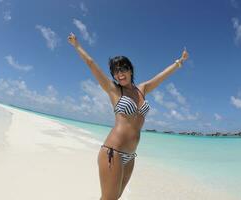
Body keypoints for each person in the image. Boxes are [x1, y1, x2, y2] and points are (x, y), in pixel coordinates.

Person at [68, 32, 188, 200]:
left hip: (130, 157)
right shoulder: (114, 90)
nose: (119, 74)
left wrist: (179, 62)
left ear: (130, 70)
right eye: (115, 72)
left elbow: (161, 77)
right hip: (113, 151)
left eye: (123, 69)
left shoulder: (142, 89)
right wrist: (77, 45)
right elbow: (91, 63)